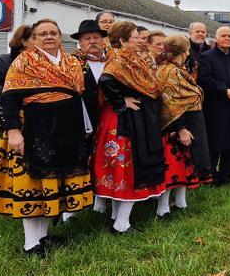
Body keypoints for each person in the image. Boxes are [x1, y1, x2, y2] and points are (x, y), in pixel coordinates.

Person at [0, 19, 92, 255]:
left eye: (53, 32)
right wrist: (13, 131)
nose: (48, 37)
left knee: (51, 187)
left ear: (60, 35)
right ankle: (31, 244)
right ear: (34, 38)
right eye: (42, 34)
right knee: (33, 186)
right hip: (35, 129)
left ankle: (43, 238)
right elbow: (9, 98)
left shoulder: (73, 62)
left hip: (67, 131)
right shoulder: (24, 61)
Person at [93, 21, 166, 234]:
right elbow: (106, 80)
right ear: (123, 40)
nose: (140, 39)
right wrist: (121, 102)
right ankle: (121, 224)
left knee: (125, 168)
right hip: (124, 121)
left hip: (130, 119)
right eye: (135, 36)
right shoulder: (119, 58)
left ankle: (117, 217)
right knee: (127, 168)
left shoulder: (131, 58)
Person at [155, 35, 212, 217]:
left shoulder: (177, 69)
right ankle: (162, 207)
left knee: (186, 165)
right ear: (181, 52)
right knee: (173, 167)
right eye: (187, 50)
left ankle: (181, 202)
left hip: (190, 121)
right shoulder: (169, 71)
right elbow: (170, 103)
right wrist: (181, 128)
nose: (189, 53)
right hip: (176, 126)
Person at [197, 26, 230, 185]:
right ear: (217, 38)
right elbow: (205, 80)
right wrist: (225, 91)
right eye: (224, 35)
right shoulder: (207, 57)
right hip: (217, 106)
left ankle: (227, 175)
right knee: (216, 141)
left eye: (229, 36)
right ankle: (211, 176)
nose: (227, 38)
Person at [70, 20, 108, 135]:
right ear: (80, 42)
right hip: (85, 119)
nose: (92, 41)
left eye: (96, 37)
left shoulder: (113, 59)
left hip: (112, 118)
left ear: (102, 40)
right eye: (87, 38)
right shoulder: (72, 62)